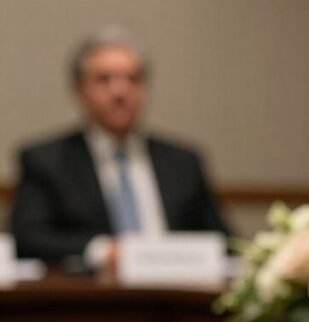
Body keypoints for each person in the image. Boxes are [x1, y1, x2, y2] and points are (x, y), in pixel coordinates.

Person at [10, 28, 230, 267]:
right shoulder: (48, 161)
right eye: (104, 79)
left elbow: (224, 242)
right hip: (93, 298)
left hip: (178, 293)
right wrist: (104, 251)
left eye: (133, 79)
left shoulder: (183, 162)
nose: (121, 91)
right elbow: (28, 239)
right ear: (80, 91)